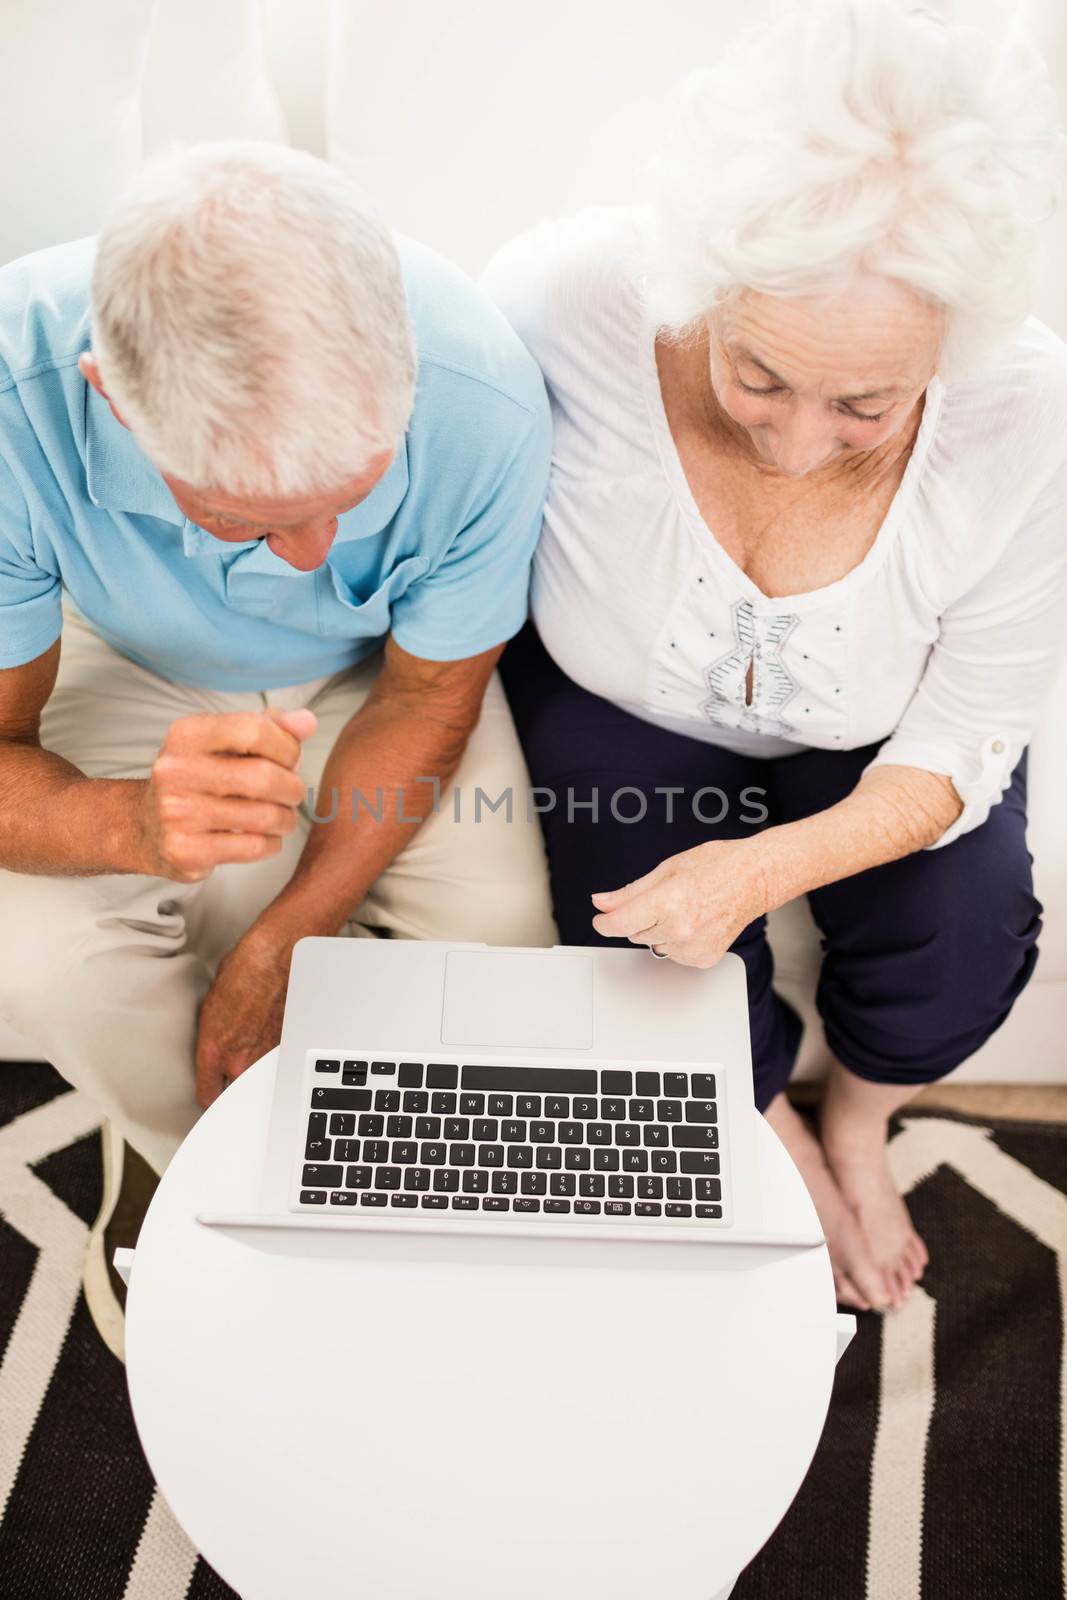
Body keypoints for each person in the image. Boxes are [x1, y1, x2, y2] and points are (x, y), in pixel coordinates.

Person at [482, 0, 1067, 1312]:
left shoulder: (1028, 413)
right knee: (626, 932)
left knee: (957, 924)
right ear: (696, 281)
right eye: (755, 377)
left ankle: (855, 1117)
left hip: (883, 725)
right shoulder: (556, 300)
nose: (796, 445)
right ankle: (762, 1113)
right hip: (610, 699)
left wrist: (763, 869)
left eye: (865, 404)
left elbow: (970, 727)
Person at [0, 142, 556, 1347]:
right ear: (110, 395)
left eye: (349, 496)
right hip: (116, 646)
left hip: (382, 680)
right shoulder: (10, 399)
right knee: (42, 959)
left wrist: (280, 939)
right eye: (245, 515)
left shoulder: (483, 395)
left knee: (510, 964)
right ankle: (190, 1166)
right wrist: (126, 823)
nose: (310, 557)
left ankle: (393, 1191)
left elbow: (427, 701)